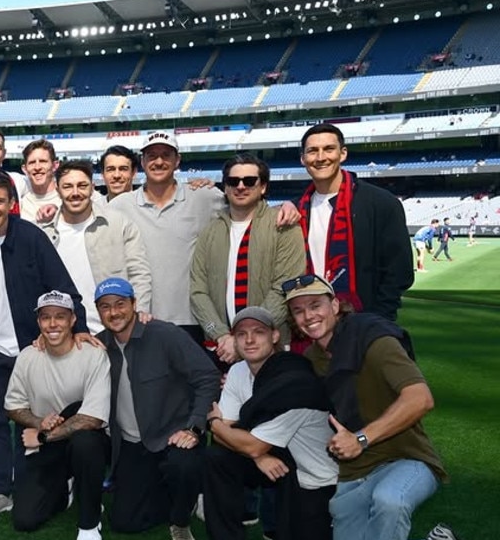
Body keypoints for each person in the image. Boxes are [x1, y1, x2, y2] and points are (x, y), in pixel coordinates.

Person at [285, 275, 474, 540]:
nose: (308, 316)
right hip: (356, 471)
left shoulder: (373, 338)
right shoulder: (314, 358)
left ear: (334, 305)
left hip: (407, 459)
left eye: (315, 305)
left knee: (390, 501)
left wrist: (361, 437)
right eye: (298, 311)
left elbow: (420, 398)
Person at [0, 171, 93, 520]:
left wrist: (81, 329)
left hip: (34, 350)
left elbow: (63, 288)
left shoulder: (32, 238)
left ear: (12, 203)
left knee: (41, 420)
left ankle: (54, 481)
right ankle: (0, 491)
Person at [194, 306, 336, 540]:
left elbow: (225, 429)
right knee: (217, 458)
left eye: (258, 332)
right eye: (242, 334)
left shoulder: (294, 379)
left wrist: (213, 422)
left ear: (274, 336)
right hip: (273, 454)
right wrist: (257, 455)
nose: (249, 340)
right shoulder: (237, 372)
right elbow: (229, 433)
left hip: (312, 473)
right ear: (234, 340)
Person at [93, 276, 220, 540]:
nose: (113, 312)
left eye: (120, 304)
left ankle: (180, 519)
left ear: (134, 305)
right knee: (125, 523)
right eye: (105, 307)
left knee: (183, 466)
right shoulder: (98, 346)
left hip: (173, 437)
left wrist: (195, 427)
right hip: (132, 445)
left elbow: (207, 376)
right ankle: (175, 494)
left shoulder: (164, 334)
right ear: (98, 312)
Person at [5, 291, 111, 540]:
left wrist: (43, 435)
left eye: (60, 317)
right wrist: (39, 421)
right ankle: (67, 487)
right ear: (39, 323)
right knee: (25, 520)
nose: (53, 324)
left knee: (86, 438)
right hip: (46, 447)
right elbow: (13, 406)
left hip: (83, 442)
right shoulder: (28, 356)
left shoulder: (92, 354)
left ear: (73, 319)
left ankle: (89, 523)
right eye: (46, 317)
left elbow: (94, 418)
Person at [109, 130, 226, 343]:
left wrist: (287, 207)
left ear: (177, 160)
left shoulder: (203, 197)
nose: (159, 161)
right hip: (141, 318)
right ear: (142, 162)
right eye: (152, 156)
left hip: (192, 318)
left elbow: (244, 205)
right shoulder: (119, 206)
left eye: (166, 155)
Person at [190, 153, 306, 366]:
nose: (241, 186)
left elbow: (284, 287)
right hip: (221, 349)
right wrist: (223, 336)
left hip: (271, 349)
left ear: (262, 187)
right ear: (225, 187)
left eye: (249, 181)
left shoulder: (283, 225)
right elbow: (198, 291)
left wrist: (245, 337)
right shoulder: (210, 232)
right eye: (233, 181)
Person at [296, 123, 414, 321]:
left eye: (329, 149)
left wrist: (376, 320)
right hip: (309, 326)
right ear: (303, 159)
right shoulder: (296, 210)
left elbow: (399, 272)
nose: (321, 157)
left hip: (366, 324)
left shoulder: (381, 203)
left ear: (343, 154)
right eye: (312, 151)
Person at [43, 160, 152, 333]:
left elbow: (138, 273)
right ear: (57, 190)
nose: (75, 192)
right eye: (68, 186)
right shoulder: (45, 234)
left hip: (115, 330)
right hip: (66, 336)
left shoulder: (119, 224)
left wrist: (139, 313)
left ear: (92, 187)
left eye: (82, 185)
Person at [18, 138, 61, 223]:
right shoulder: (20, 205)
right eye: (32, 162)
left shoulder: (68, 198)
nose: (37, 167)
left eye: (43, 161)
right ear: (25, 169)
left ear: (55, 166)